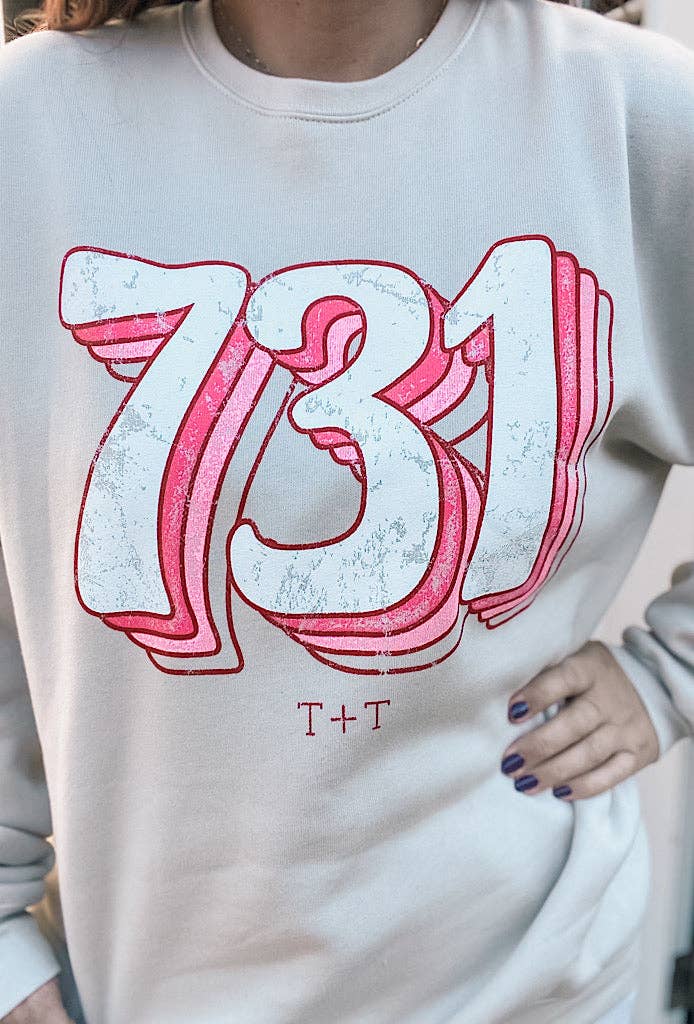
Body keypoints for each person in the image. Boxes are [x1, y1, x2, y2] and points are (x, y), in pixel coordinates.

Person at [0, 0, 692, 1021]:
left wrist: (667, 676)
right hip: (149, 989)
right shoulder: (30, 128)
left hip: (535, 981)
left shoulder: (636, 115)